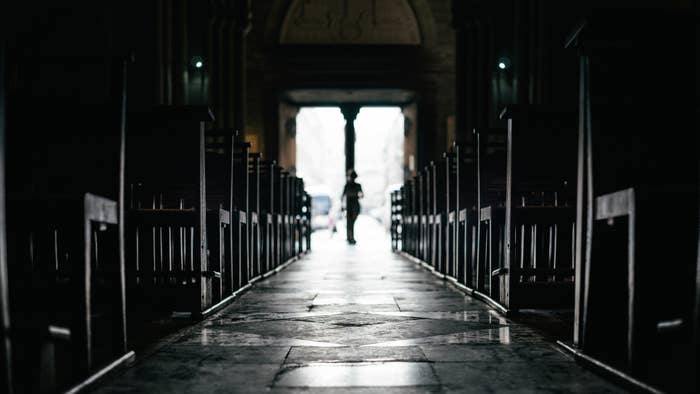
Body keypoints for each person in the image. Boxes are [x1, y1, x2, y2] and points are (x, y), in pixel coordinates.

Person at [341, 169, 363, 244]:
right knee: (350, 222)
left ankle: (351, 237)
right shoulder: (349, 185)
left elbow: (362, 195)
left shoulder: (354, 185)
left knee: (351, 222)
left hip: (353, 205)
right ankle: (350, 237)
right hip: (351, 205)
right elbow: (343, 196)